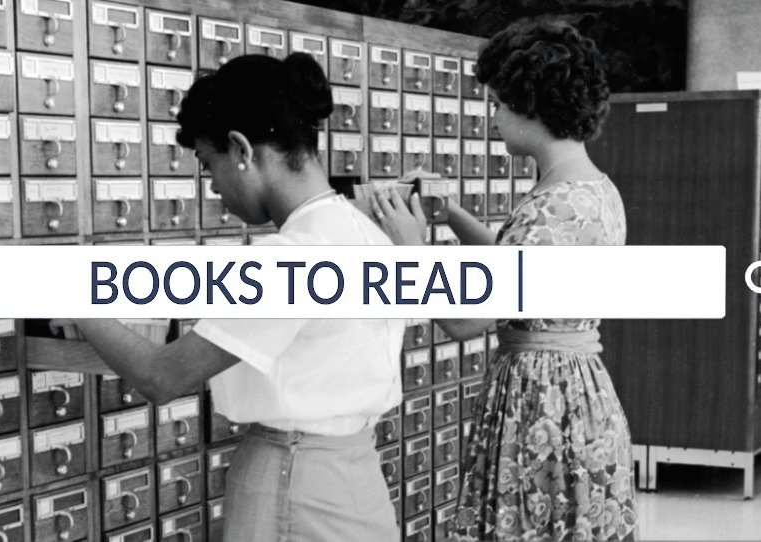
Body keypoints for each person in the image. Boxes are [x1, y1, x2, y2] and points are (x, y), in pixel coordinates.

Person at [51, 53, 403, 542]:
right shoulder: (368, 234)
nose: (213, 186)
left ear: (240, 149)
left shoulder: (289, 257)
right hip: (358, 480)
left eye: (207, 163)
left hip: (293, 485)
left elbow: (162, 377)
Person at [371, 19, 637, 542]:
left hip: (542, 403)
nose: (492, 118)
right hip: (573, 392)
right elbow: (521, 275)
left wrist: (410, 254)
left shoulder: (555, 208)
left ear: (530, 103)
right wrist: (450, 215)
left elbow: (468, 320)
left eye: (496, 103)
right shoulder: (590, 190)